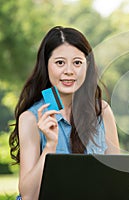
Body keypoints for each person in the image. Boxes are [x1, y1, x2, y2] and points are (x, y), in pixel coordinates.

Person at [9, 26, 120, 200]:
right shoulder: (30, 118)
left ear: (87, 65)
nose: (69, 71)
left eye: (77, 63)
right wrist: (50, 146)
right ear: (46, 65)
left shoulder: (102, 112)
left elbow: (116, 182)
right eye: (60, 62)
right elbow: (28, 196)